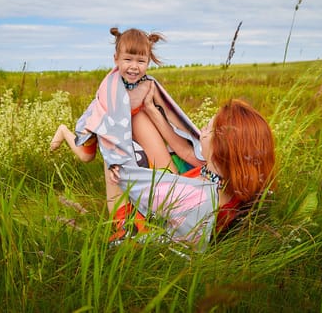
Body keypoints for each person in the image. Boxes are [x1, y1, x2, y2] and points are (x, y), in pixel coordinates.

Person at [50, 27, 204, 213]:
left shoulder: (148, 84)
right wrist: (115, 160)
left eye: (141, 61)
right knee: (86, 156)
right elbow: (111, 125)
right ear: (116, 59)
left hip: (132, 128)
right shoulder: (112, 86)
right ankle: (63, 131)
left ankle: (148, 202)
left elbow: (171, 113)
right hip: (102, 128)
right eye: (128, 59)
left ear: (148, 62)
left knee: (144, 163)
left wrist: (195, 142)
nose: (134, 66)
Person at [109, 89, 276, 250]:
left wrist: (118, 166)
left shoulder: (201, 194)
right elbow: (185, 151)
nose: (202, 131)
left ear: (219, 148)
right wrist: (152, 109)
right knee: (138, 117)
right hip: (175, 197)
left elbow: (138, 186)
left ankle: (120, 223)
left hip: (151, 216)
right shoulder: (231, 176)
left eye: (207, 129)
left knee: (112, 144)